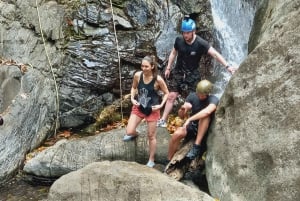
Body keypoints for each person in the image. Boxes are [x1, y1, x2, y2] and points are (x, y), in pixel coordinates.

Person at [157, 16, 235, 127]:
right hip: (179, 72)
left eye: (188, 33)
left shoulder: (201, 43)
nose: (185, 35)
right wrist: (168, 67)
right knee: (171, 96)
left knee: (194, 99)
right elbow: (173, 53)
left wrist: (228, 66)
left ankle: (191, 122)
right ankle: (163, 120)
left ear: (193, 31)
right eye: (184, 33)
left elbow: (215, 54)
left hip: (193, 74)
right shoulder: (179, 40)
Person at [123, 55, 169, 168]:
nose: (144, 68)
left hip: (152, 109)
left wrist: (161, 105)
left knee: (151, 136)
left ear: (152, 66)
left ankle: (151, 159)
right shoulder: (138, 75)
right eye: (142, 66)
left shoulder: (157, 79)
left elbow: (167, 93)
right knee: (129, 131)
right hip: (139, 106)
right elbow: (134, 88)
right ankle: (135, 134)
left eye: (146, 66)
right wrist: (133, 98)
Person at [167, 79, 219, 162]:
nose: (200, 96)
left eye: (203, 95)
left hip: (205, 131)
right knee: (177, 134)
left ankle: (196, 146)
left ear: (208, 94)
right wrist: (183, 109)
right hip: (193, 127)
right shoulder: (192, 96)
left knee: (205, 117)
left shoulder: (213, 99)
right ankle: (169, 158)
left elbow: (208, 111)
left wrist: (190, 119)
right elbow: (181, 116)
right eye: (199, 93)